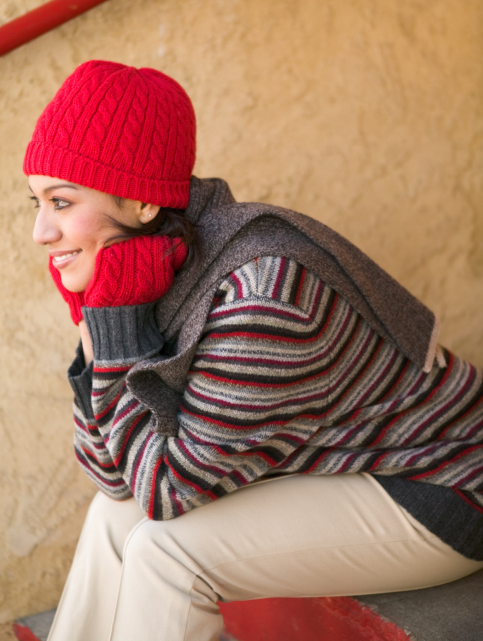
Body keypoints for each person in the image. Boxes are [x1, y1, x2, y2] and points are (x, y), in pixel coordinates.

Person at [24, 60, 483, 641]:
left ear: (142, 204)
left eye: (61, 202)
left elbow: (165, 492)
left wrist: (112, 341)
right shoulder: (143, 273)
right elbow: (115, 480)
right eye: (34, 202)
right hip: (333, 467)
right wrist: (100, 337)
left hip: (440, 486)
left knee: (167, 552)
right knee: (112, 518)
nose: (41, 232)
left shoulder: (264, 297)